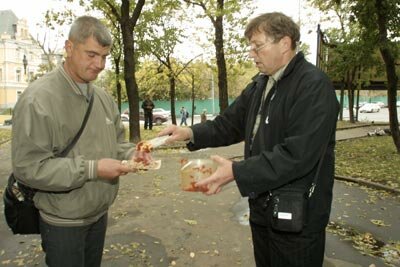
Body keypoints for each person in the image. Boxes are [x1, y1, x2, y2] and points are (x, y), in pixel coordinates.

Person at [160, 12, 339, 267]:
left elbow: (297, 155)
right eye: (250, 47)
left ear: (285, 43)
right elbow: (229, 123)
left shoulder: (313, 86)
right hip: (263, 209)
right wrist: (189, 133)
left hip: (298, 218)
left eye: (258, 46)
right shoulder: (260, 84)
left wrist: (236, 171)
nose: (251, 54)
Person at [11, 16, 150, 267]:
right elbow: (28, 168)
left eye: (105, 57)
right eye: (91, 54)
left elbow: (117, 142)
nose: (100, 64)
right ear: (69, 47)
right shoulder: (38, 99)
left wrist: (131, 155)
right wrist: (92, 168)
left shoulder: (104, 98)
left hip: (98, 215)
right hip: (63, 223)